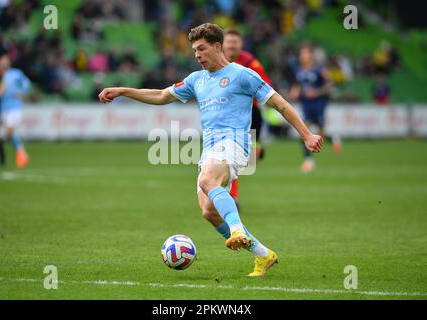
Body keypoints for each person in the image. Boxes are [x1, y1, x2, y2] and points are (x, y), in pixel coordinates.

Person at [99, 23, 323, 276]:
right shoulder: (197, 80)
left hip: (236, 143)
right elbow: (161, 96)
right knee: (208, 211)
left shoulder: (243, 75)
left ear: (218, 46)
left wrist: (306, 135)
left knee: (207, 179)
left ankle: (237, 229)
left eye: (202, 49)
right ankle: (263, 255)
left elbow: (280, 104)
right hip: (211, 149)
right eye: (194, 50)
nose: (197, 55)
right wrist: (123, 91)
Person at [223, 28, 273, 209]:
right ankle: (231, 196)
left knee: (248, 159)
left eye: (234, 43)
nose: (231, 46)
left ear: (240, 45)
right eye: (228, 43)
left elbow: (266, 86)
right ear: (222, 44)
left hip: (250, 114)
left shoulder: (251, 62)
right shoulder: (216, 61)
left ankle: (256, 149)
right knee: (228, 157)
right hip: (226, 116)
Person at [289, 43, 341, 173]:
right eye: (301, 54)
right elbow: (297, 86)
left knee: (320, 134)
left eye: (305, 53)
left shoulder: (319, 70)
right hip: (306, 105)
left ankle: (332, 138)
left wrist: (316, 92)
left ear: (311, 56)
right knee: (304, 133)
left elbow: (329, 85)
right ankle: (308, 160)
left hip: (319, 104)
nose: (303, 56)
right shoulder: (299, 71)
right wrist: (292, 94)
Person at [0, 54, 31, 168]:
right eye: (2, 60)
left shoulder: (16, 73)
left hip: (14, 107)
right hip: (2, 107)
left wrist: (22, 92)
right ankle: (20, 153)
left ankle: (22, 154)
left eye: (6, 60)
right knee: (6, 133)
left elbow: (26, 83)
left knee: (10, 131)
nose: (4, 62)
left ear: (9, 62)